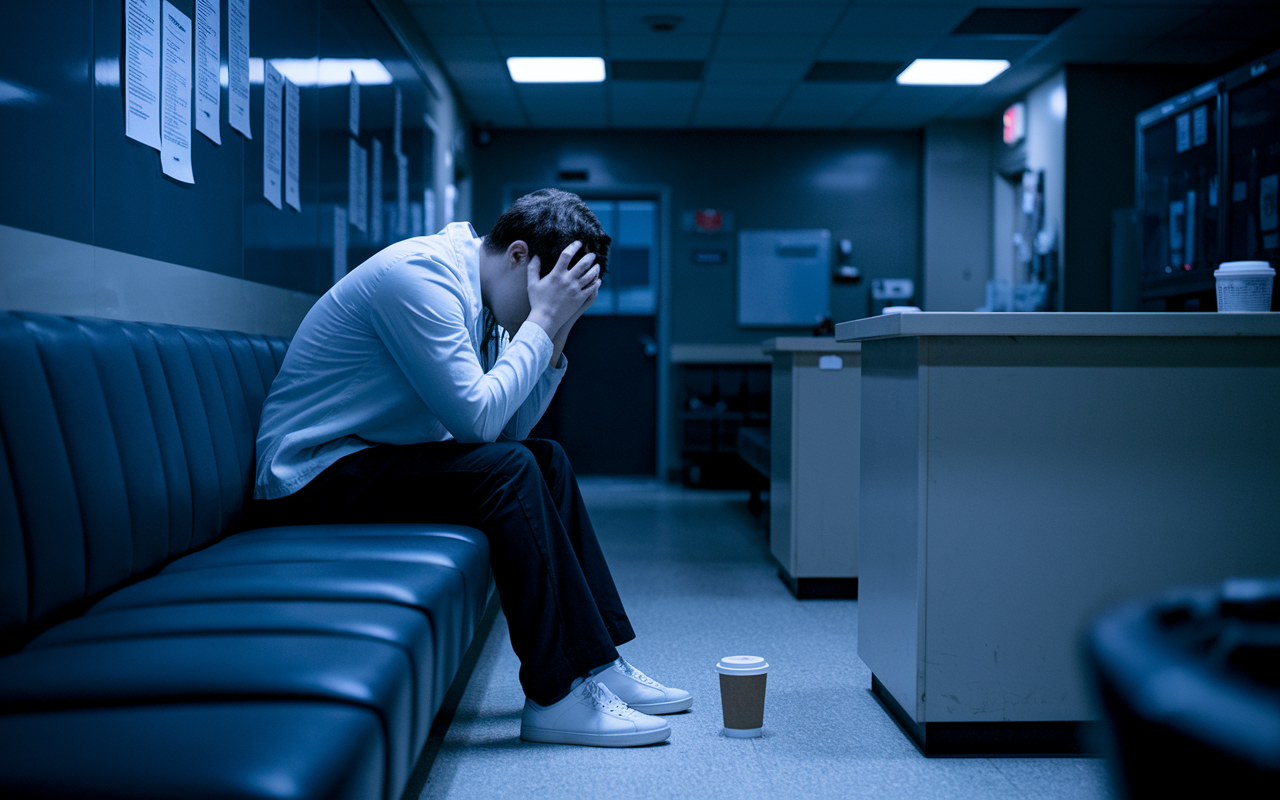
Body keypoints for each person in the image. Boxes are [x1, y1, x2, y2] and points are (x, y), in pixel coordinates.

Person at [248, 188, 690, 748]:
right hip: (308, 476)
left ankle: (597, 664)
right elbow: (481, 426)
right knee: (508, 472)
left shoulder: (482, 297)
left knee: (543, 459)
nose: (536, 316)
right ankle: (556, 696)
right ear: (519, 257)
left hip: (368, 458)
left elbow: (512, 430)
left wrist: (557, 329)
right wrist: (541, 322)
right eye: (540, 299)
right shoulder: (420, 279)